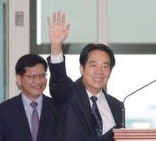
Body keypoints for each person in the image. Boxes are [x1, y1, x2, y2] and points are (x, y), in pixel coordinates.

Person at [47, 11, 124, 141]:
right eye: (93, 65)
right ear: (82, 69)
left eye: (105, 66)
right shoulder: (68, 94)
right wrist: (56, 46)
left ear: (110, 72)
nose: (99, 71)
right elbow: (58, 77)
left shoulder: (118, 106)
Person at [0, 54, 56, 141]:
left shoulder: (57, 108)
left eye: (42, 76)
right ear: (19, 79)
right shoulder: (3, 112)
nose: (38, 81)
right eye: (33, 76)